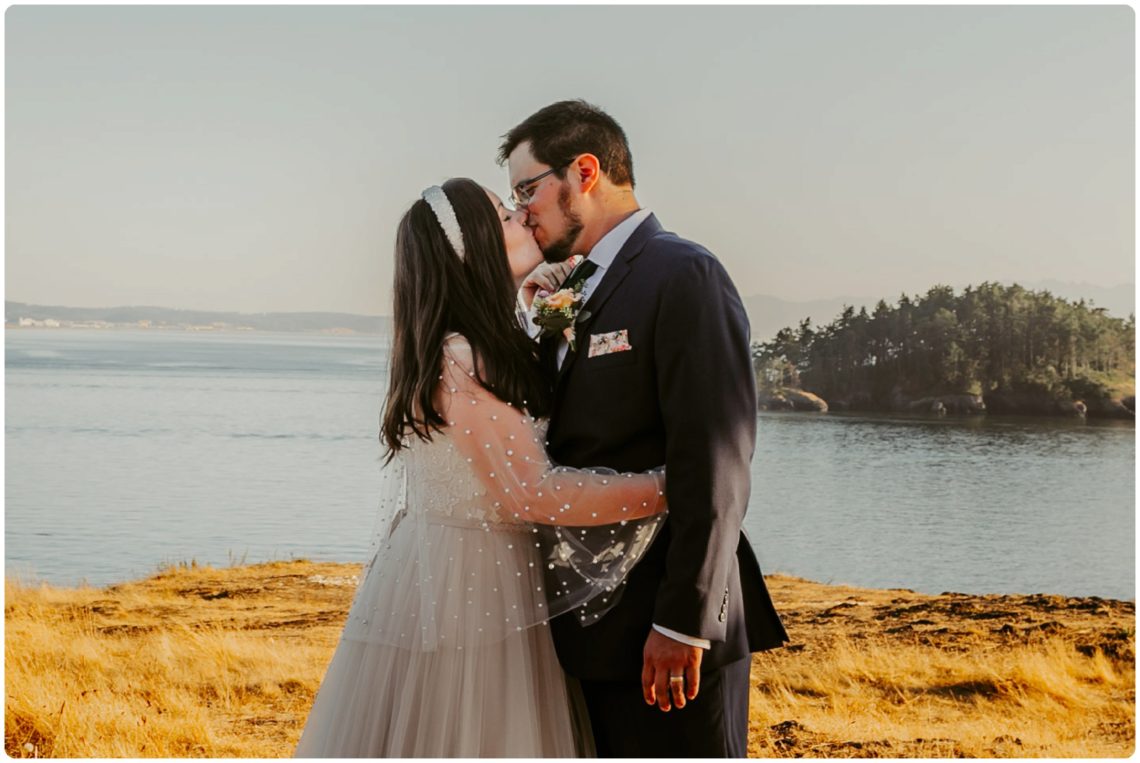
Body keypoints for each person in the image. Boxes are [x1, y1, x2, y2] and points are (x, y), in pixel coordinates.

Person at [294, 178, 668, 757]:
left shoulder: (477, 343)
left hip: (461, 571)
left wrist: (533, 313)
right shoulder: (461, 357)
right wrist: (670, 487)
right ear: (470, 250)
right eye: (503, 215)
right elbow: (533, 494)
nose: (522, 215)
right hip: (472, 590)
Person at [499, 100, 789, 757]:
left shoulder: (683, 274)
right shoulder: (568, 292)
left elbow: (716, 458)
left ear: (585, 170)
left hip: (666, 634)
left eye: (527, 188)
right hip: (590, 637)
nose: (522, 211)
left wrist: (682, 622)